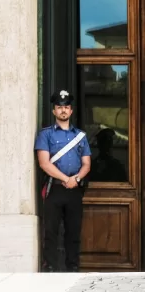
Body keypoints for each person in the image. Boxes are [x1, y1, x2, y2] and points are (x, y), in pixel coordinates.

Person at [34, 90, 91, 272]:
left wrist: (77, 178)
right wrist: (66, 178)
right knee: (50, 231)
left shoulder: (80, 136)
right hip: (55, 188)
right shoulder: (46, 135)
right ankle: (50, 266)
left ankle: (72, 266)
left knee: (73, 231)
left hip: (74, 189)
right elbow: (44, 162)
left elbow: (86, 163)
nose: (63, 110)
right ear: (54, 111)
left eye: (66, 107)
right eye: (59, 107)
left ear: (71, 111)